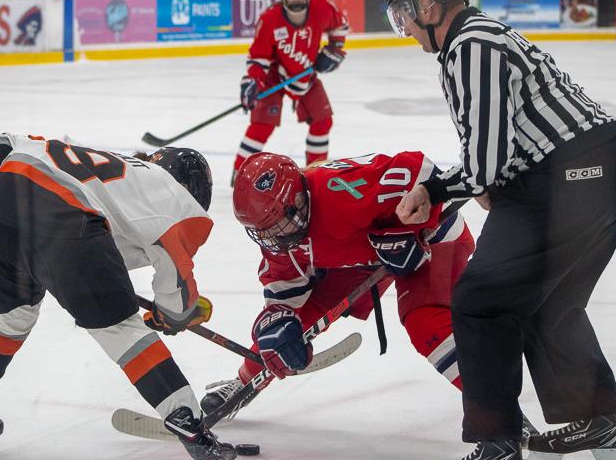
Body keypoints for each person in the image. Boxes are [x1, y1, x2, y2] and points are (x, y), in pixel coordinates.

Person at [384, 0, 616, 460]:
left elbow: (484, 167)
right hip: (606, 169)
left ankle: (497, 445)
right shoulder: (480, 37)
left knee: (480, 300)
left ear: (428, 7)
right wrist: (484, 178)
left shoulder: (471, 46)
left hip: (571, 179)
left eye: (403, 14)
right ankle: (596, 418)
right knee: (548, 302)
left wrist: (433, 190)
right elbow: (494, 161)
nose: (404, 28)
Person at [0, 134, 237, 460]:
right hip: (64, 221)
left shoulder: (110, 166)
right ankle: (196, 435)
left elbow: (6, 139)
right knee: (124, 332)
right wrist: (171, 317)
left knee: (9, 317)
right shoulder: (180, 202)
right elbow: (176, 301)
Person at [199, 151, 475, 419]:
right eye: (265, 232)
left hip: (434, 239)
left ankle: (497, 411)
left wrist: (406, 228)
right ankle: (245, 381)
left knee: (424, 322)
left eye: (278, 225)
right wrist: (277, 323)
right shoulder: (280, 233)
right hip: (365, 255)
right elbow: (284, 292)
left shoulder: (339, 191)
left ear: (298, 198)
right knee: (289, 324)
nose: (275, 238)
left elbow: (422, 171)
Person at [232, 0, 349, 186]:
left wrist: (334, 50)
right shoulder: (270, 19)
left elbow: (341, 26)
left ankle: (316, 175)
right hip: (276, 76)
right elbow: (259, 57)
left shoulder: (322, 8)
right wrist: (252, 81)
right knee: (261, 124)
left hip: (306, 73)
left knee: (323, 121)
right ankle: (240, 173)